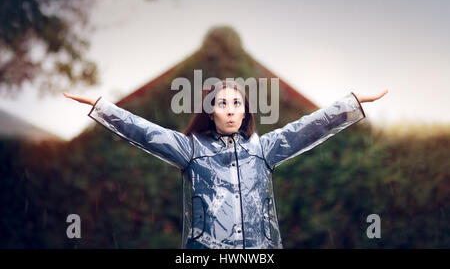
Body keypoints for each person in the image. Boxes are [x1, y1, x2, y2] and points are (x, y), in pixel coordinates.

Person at [63, 80, 388, 249]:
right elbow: (145, 133)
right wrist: (103, 107)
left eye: (237, 104)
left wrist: (351, 104)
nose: (231, 110)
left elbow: (308, 127)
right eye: (222, 103)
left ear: (245, 112)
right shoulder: (190, 150)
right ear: (211, 112)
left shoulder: (264, 150)